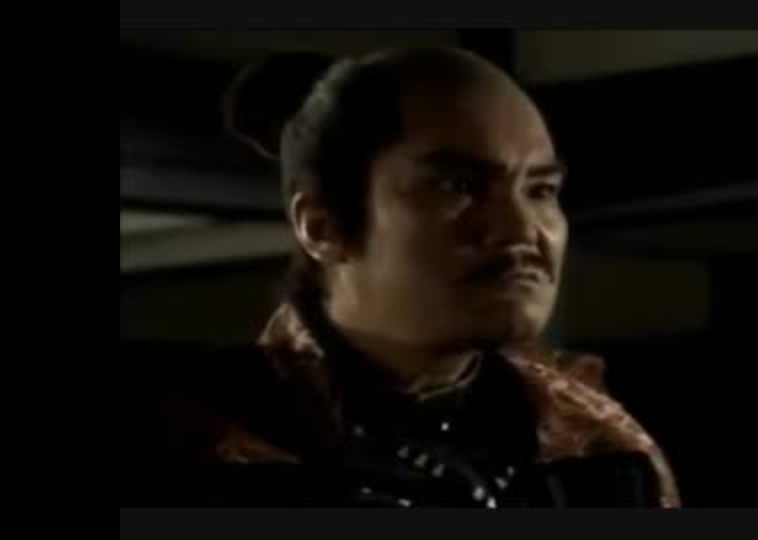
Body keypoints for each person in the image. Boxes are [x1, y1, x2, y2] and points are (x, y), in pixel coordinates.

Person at [124, 47, 679, 508]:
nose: (520, 229)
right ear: (321, 226)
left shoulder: (596, 445)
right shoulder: (203, 451)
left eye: (541, 190)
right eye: (458, 185)